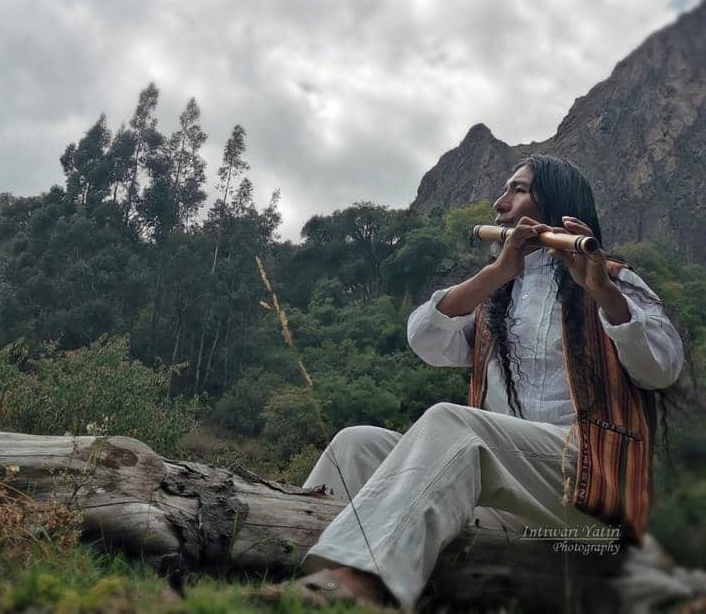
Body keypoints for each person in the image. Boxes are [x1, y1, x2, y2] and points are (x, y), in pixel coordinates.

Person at [291, 154, 685, 610]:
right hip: (503, 494)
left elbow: (661, 368)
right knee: (354, 445)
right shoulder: (498, 296)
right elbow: (425, 338)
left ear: (555, 203)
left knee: (455, 425)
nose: (499, 204)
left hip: (591, 492)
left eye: (517, 190)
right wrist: (497, 272)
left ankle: (355, 586)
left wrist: (601, 291)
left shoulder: (616, 280)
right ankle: (285, 565)